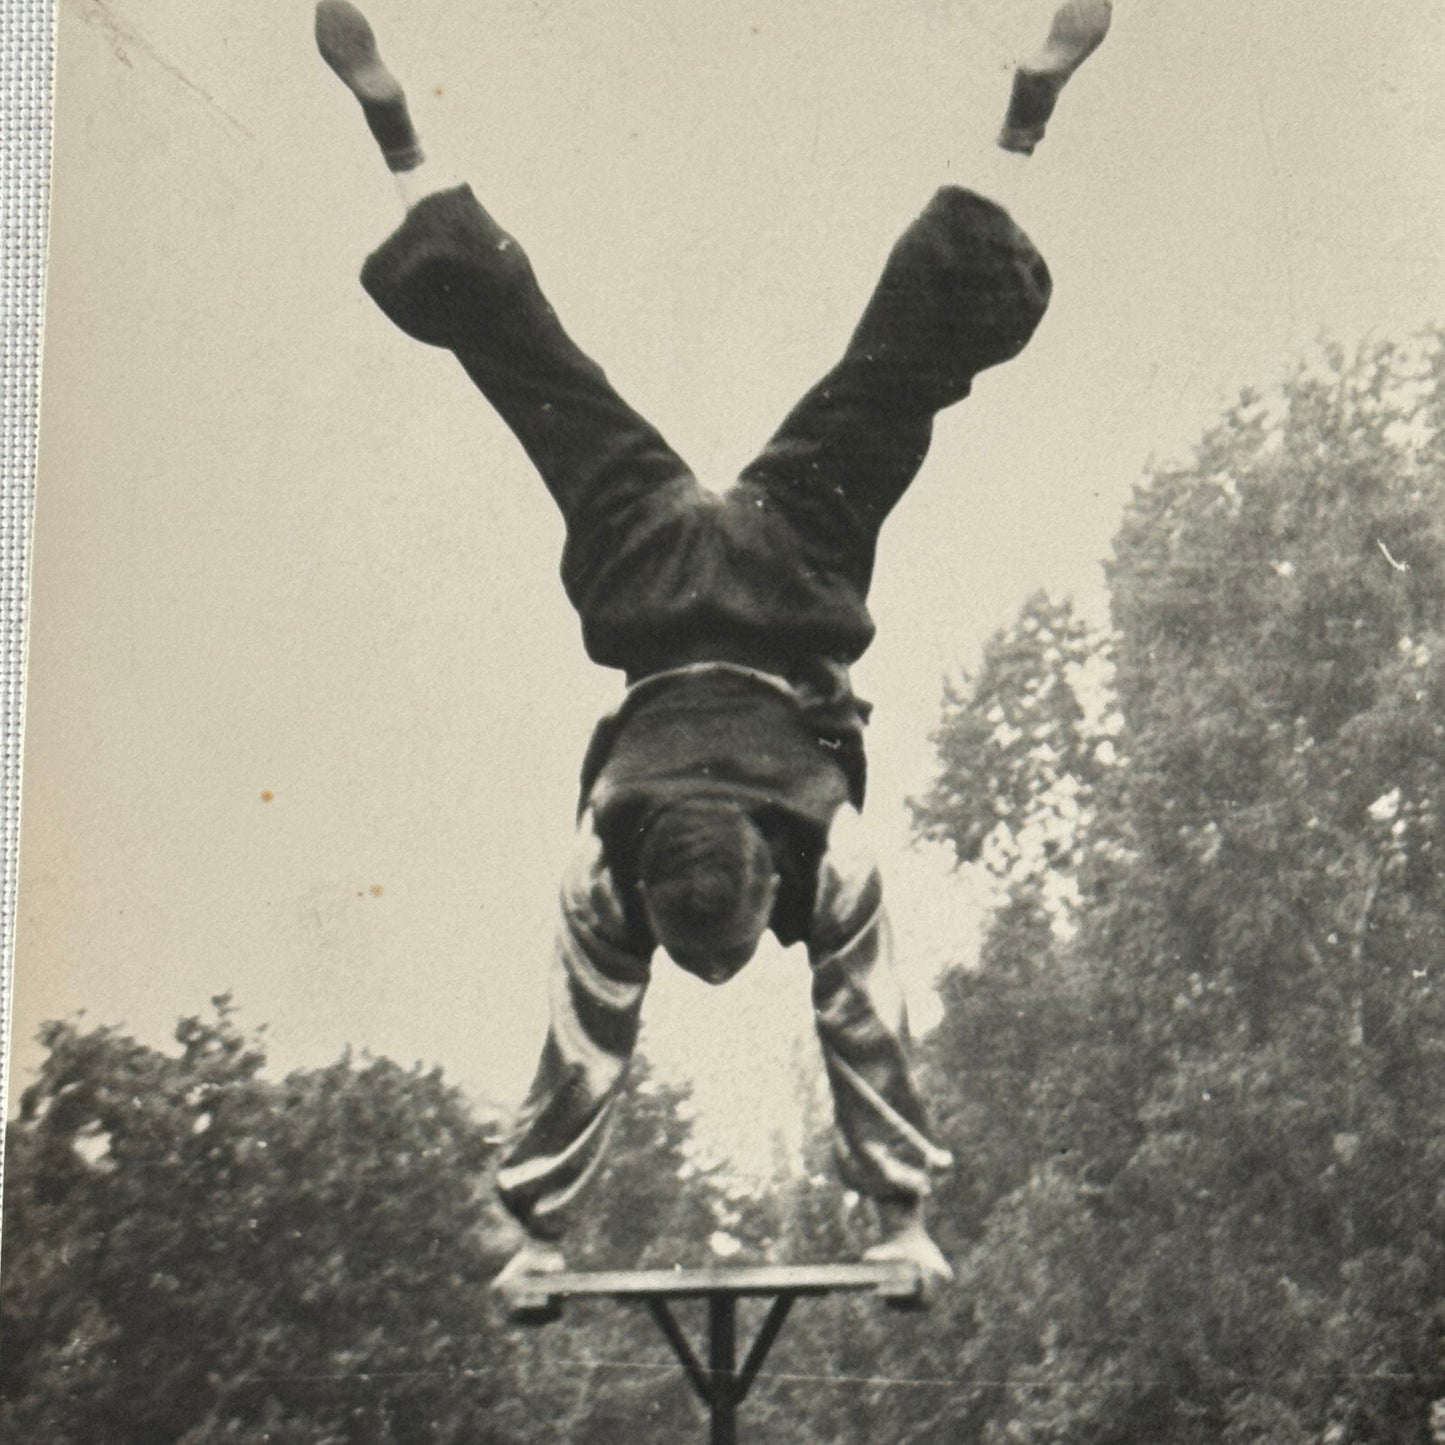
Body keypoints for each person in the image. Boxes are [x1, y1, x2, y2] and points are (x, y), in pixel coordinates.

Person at [316, 0, 1111, 1302]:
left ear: (756, 877)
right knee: (554, 381)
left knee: (875, 379)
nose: (725, 968)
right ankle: (1014, 123)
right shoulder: (649, 864)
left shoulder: (670, 871)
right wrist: (893, 1222)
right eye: (723, 956)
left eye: (710, 956)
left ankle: (408, 147)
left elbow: (592, 1043)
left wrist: (541, 1240)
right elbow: (843, 1026)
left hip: (775, 577)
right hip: (659, 581)